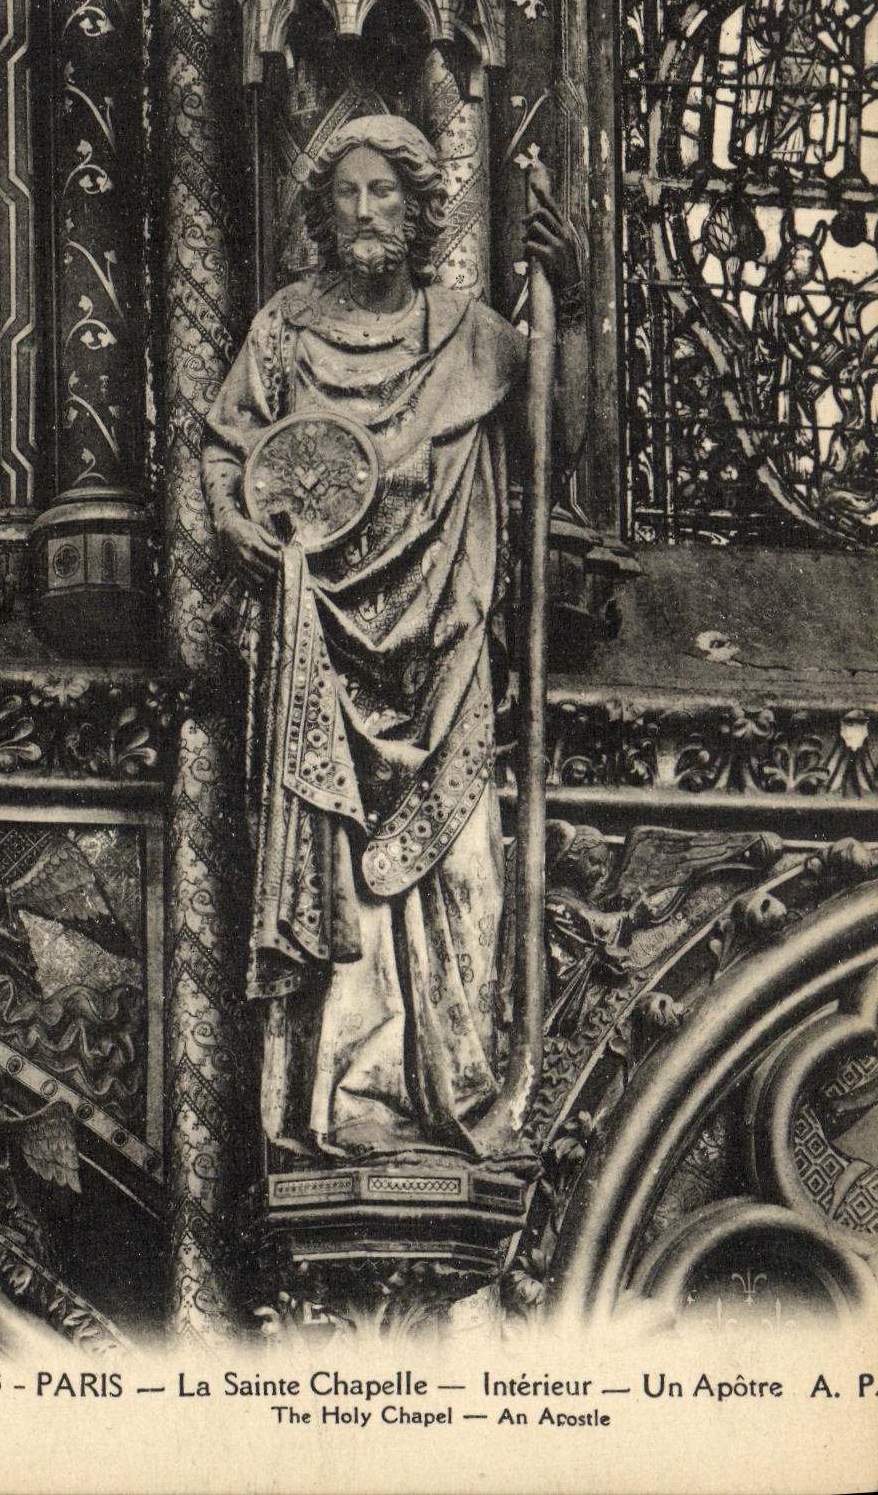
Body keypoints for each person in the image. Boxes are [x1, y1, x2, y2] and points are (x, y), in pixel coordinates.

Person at [202, 115, 583, 1162]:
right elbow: (228, 454)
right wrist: (243, 530)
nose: (366, 211)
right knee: (343, 874)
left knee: (464, 874)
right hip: (321, 651)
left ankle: (459, 1089)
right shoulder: (282, 333)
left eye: (385, 193)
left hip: (446, 649)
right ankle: (356, 1094)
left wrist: (569, 305)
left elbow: (554, 441)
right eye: (347, 193)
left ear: (419, 212)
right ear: (321, 213)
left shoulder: (470, 335)